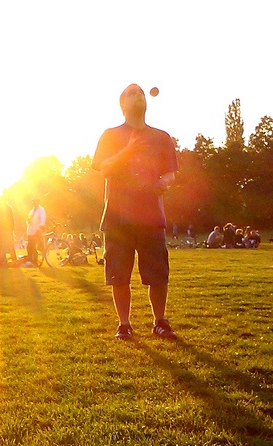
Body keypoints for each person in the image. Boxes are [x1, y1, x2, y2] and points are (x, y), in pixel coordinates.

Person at [91, 83, 179, 341]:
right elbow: (104, 168)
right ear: (122, 104)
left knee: (158, 274)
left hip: (151, 215)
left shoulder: (161, 137)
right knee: (119, 274)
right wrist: (128, 150)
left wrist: (165, 181)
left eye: (139, 92)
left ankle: (160, 322)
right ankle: (124, 324)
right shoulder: (110, 135)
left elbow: (171, 171)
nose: (137, 95)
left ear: (146, 101)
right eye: (131, 93)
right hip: (118, 217)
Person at [0, 197, 16, 262]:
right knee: (8, 245)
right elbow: (12, 220)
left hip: (2, 229)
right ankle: (13, 259)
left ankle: (2, 260)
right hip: (6, 229)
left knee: (0, 245)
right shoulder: (9, 208)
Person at [26, 198, 46, 265]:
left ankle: (35, 261)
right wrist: (28, 221)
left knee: (34, 246)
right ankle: (30, 259)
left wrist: (40, 228)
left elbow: (43, 219)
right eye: (33, 202)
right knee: (29, 246)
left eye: (34, 202)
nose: (33, 203)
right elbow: (29, 219)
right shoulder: (32, 211)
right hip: (30, 230)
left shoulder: (41, 210)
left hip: (36, 230)